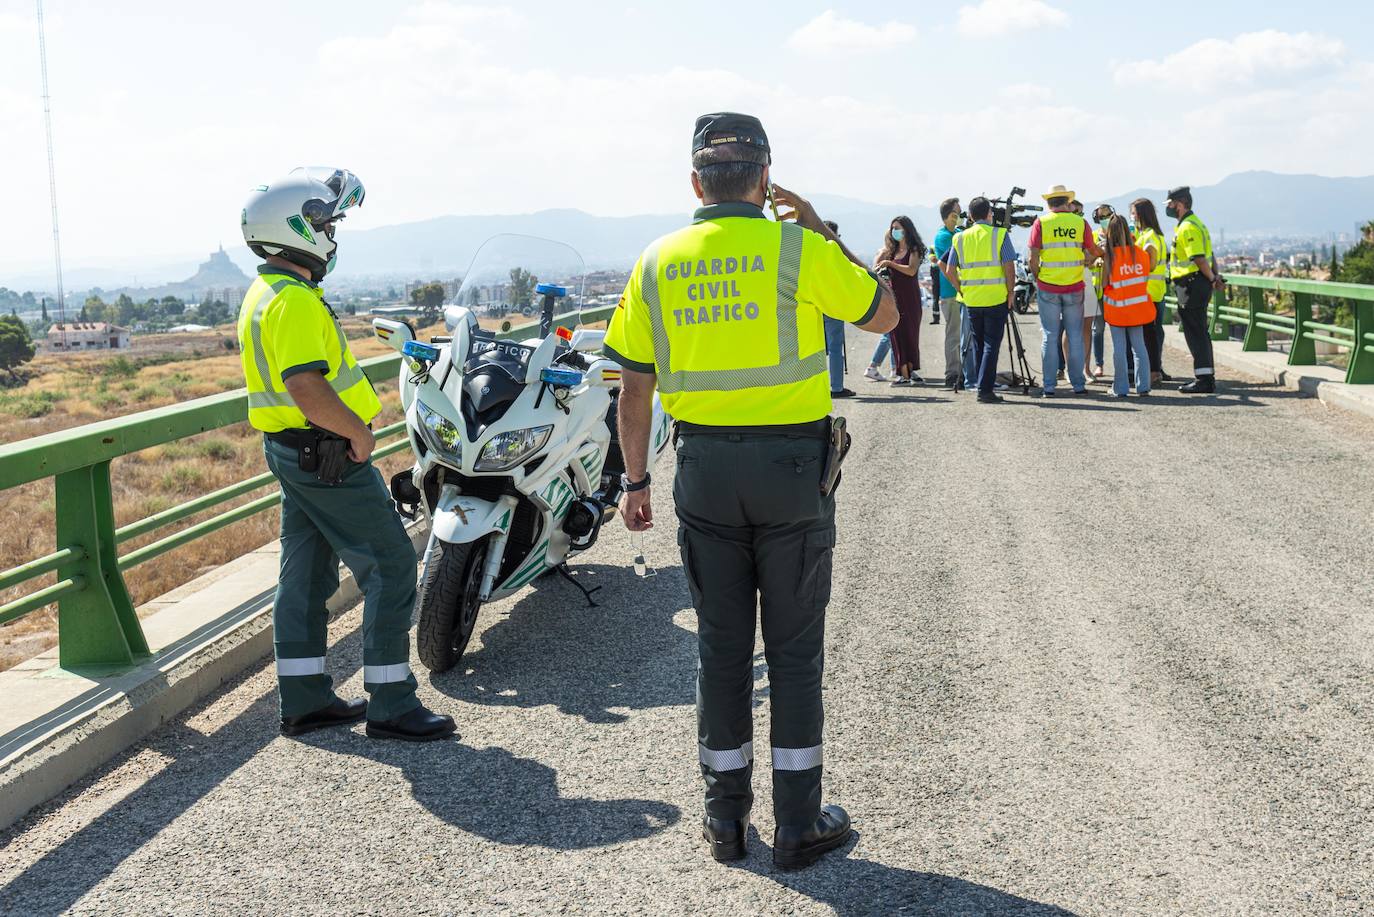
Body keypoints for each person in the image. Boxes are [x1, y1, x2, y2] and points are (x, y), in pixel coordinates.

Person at [602, 112, 897, 869]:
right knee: (794, 657)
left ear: (696, 183)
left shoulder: (656, 261)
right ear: (765, 180)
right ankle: (798, 824)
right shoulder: (797, 248)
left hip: (702, 473)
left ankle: (724, 820)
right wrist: (824, 229)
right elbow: (887, 314)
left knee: (721, 652)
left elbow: (633, 393)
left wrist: (636, 480)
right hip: (794, 475)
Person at [237, 168, 455, 742]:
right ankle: (391, 703)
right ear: (297, 230)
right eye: (326, 221)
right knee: (390, 565)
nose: (333, 231)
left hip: (292, 452)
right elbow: (306, 385)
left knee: (305, 573)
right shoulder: (298, 302)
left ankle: (305, 698)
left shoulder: (265, 293)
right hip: (327, 454)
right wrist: (358, 433)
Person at [1027, 185, 1101, 397]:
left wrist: (1037, 276)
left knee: (1050, 336)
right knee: (1075, 335)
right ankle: (1078, 384)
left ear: (1049, 203)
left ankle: (1049, 386)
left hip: (1048, 286)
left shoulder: (1040, 223)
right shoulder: (1080, 223)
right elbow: (1091, 253)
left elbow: (1033, 256)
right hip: (1074, 286)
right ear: (1067, 202)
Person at [941, 197, 1016, 403]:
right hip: (995, 297)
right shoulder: (1000, 235)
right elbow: (1009, 266)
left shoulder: (960, 238)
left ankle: (982, 385)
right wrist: (1011, 292)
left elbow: (949, 269)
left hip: (972, 300)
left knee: (979, 343)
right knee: (992, 343)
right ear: (989, 213)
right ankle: (985, 389)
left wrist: (960, 289)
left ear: (971, 216)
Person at [1166, 186, 1225, 393]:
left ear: (1180, 204)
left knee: (1195, 332)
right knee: (1199, 331)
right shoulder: (1196, 223)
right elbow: (1211, 255)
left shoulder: (1188, 227)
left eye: (1171, 204)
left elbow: (1199, 258)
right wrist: (1214, 277)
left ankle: (1204, 380)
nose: (1169, 208)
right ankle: (1205, 376)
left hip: (1191, 284)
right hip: (1197, 283)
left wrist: (1211, 277)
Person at [1100, 214, 1155, 397]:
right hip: (1137, 309)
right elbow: (1145, 276)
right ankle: (1143, 386)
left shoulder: (1111, 256)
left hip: (1117, 310)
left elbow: (1103, 283)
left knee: (1119, 349)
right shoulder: (1140, 253)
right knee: (1139, 347)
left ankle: (1121, 388)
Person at [874, 216, 926, 385]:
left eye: (898, 228)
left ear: (906, 229)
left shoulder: (914, 249)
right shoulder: (891, 251)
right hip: (894, 298)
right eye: (893, 228)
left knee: (910, 334)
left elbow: (911, 270)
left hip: (910, 298)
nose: (895, 231)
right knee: (896, 334)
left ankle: (909, 372)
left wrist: (891, 264)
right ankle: (903, 373)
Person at [1130, 198, 1171, 386]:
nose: (1132, 217)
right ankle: (1154, 369)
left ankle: (1153, 371)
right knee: (1152, 333)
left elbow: (1149, 264)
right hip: (1157, 290)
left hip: (1147, 291)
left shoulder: (1149, 237)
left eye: (1133, 213)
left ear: (1140, 215)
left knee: (1148, 334)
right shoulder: (1157, 235)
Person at [932, 198, 965, 388]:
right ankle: (952, 373)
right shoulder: (943, 236)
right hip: (950, 292)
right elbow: (953, 261)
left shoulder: (958, 233)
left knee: (961, 333)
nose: (959, 217)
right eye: (956, 214)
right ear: (947, 217)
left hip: (961, 292)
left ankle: (962, 371)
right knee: (953, 334)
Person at [821, 221, 856, 398]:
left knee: (818, 349)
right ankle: (836, 387)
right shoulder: (835, 253)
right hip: (833, 306)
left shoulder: (814, 250)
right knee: (835, 348)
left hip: (816, 305)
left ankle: (819, 388)